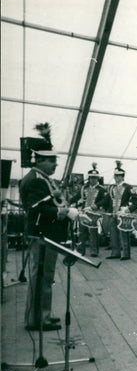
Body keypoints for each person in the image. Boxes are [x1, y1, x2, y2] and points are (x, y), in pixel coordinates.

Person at [19, 141, 77, 332]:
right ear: (41, 160)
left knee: (45, 276)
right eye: (52, 161)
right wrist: (64, 212)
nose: (55, 165)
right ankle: (37, 319)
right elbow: (38, 209)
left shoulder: (41, 178)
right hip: (43, 236)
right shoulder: (35, 180)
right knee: (41, 277)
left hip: (48, 236)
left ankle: (43, 314)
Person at [106, 161, 137, 260]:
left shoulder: (128, 187)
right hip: (113, 213)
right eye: (115, 176)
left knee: (124, 234)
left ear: (122, 177)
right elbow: (107, 199)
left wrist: (128, 210)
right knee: (113, 234)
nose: (116, 178)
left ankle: (126, 254)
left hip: (123, 214)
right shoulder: (111, 187)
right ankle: (115, 253)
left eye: (118, 176)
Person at [77, 163, 108, 257]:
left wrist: (95, 206)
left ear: (97, 179)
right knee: (82, 231)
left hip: (94, 213)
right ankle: (80, 250)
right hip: (84, 212)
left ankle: (94, 251)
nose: (92, 180)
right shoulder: (84, 188)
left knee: (93, 232)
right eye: (91, 178)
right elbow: (77, 196)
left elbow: (105, 200)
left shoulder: (102, 189)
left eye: (94, 178)